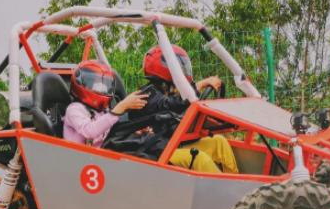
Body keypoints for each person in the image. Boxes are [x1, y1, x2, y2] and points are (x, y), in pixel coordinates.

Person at [128, 44, 239, 174]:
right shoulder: (147, 94)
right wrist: (202, 84)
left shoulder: (169, 92)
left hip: (170, 146)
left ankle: (238, 181)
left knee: (219, 142)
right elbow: (173, 103)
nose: (182, 70)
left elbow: (180, 102)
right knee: (200, 159)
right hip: (153, 152)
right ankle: (226, 187)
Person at [63, 60, 148, 148]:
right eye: (96, 82)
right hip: (75, 155)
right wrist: (121, 107)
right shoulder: (74, 109)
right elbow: (89, 132)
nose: (102, 86)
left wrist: (133, 130)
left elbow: (111, 130)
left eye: (104, 83)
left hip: (100, 153)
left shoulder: (102, 111)